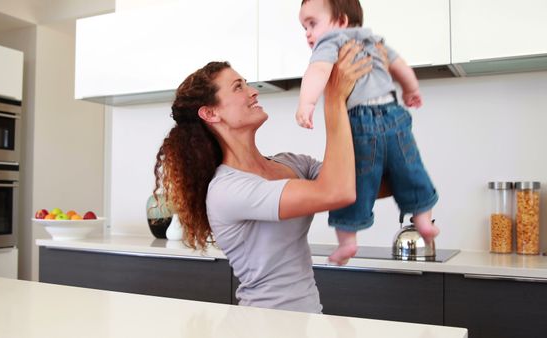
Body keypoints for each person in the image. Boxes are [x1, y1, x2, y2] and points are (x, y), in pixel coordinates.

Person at [152, 41, 370, 313]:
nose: (253, 91)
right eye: (238, 87)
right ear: (210, 113)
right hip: (264, 324)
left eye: (246, 83)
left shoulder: (291, 163)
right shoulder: (227, 190)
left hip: (309, 317)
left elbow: (356, 185)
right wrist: (334, 98)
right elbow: (337, 191)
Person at [296, 0, 439, 265]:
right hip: (395, 115)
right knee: (411, 168)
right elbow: (400, 66)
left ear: (341, 22)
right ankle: (423, 222)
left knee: (355, 182)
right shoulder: (374, 41)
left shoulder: (331, 42)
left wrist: (307, 103)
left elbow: (316, 71)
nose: (307, 32)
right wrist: (411, 90)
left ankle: (348, 242)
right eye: (304, 26)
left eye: (312, 23)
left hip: (361, 122)